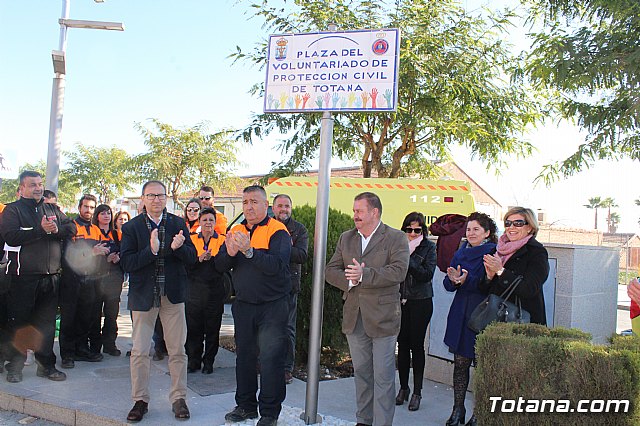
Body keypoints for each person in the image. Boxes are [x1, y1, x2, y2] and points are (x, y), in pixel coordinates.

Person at [325, 192, 409, 426]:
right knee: (362, 374)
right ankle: (364, 420)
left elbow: (399, 272)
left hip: (383, 319)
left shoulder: (396, 237)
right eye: (354, 211)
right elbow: (330, 270)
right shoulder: (346, 238)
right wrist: (350, 281)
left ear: (375, 212)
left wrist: (365, 275)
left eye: (359, 211)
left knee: (383, 377)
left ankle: (382, 423)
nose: (355, 216)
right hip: (354, 317)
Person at [120, 180, 197, 422]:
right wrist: (151, 251)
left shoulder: (177, 223)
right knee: (140, 351)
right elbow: (127, 263)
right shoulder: (132, 227)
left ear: (167, 198)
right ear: (142, 199)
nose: (156, 200)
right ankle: (140, 400)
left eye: (160, 195)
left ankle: (178, 398)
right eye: (151, 195)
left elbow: (192, 258)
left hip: (172, 296)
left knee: (177, 350)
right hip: (144, 297)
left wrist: (178, 247)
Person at [217, 185, 291, 426]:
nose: (249, 207)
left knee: (271, 360)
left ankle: (269, 413)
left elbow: (278, 267)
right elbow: (219, 266)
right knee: (245, 358)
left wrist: (249, 251)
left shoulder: (277, 230)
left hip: (273, 306)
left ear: (266, 205)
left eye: (254, 202)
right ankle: (246, 406)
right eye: (245, 202)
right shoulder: (235, 229)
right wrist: (228, 252)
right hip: (244, 305)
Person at [0, 170, 76, 383]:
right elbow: (11, 236)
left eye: (40, 184)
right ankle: (15, 367)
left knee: (47, 325)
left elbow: (70, 227)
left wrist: (53, 230)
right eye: (32, 184)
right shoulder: (12, 211)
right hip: (22, 279)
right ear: (21, 188)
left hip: (50, 277)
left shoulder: (51, 208)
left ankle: (46, 366)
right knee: (20, 324)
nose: (38, 188)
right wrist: (40, 230)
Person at [442, 212, 498, 426]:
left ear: (487, 233)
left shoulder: (493, 253)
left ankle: (479, 413)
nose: (471, 233)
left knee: (480, 366)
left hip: (482, 314)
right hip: (460, 313)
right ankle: (458, 410)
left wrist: (467, 280)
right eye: (468, 229)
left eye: (476, 229)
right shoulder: (460, 252)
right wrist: (453, 281)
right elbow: (448, 285)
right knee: (460, 363)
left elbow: (490, 285)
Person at [59, 194, 110, 369]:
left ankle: (81, 350)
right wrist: (91, 253)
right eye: (85, 207)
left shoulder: (96, 230)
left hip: (89, 280)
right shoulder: (71, 227)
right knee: (69, 318)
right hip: (71, 280)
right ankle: (67, 355)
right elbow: (67, 255)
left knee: (85, 317)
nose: (88, 210)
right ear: (79, 207)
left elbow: (103, 249)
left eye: (91, 207)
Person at [395, 212, 436, 412]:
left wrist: (408, 260)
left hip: (421, 301)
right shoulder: (398, 245)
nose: (412, 233)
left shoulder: (429, 248)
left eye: (416, 230)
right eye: (408, 229)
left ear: (423, 231)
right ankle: (403, 388)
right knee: (401, 345)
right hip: (400, 301)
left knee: (416, 346)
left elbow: (427, 274)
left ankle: (417, 392)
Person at [272, 194, 308, 384]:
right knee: (267, 328)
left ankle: (287, 368)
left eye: (287, 206)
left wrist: (280, 247)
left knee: (287, 329)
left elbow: (302, 255)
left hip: (289, 287)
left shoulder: (299, 229)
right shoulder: (266, 225)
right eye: (280, 206)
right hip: (267, 285)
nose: (283, 209)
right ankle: (267, 364)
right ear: (273, 208)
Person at [185, 207, 226, 374]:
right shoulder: (192, 239)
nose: (208, 223)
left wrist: (213, 260)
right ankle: (193, 360)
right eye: (205, 220)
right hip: (194, 291)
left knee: (212, 328)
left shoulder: (222, 240)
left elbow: (225, 264)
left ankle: (208, 361)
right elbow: (186, 264)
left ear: (215, 223)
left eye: (211, 220)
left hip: (214, 291)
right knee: (193, 328)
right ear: (199, 223)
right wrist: (199, 259)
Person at [91, 204, 124, 356]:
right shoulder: (93, 232)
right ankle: (95, 347)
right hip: (97, 277)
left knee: (112, 313)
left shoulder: (117, 234)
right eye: (102, 213)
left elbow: (126, 252)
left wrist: (118, 258)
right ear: (97, 215)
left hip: (114, 278)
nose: (106, 216)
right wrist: (106, 259)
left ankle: (110, 344)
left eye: (109, 213)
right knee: (95, 312)